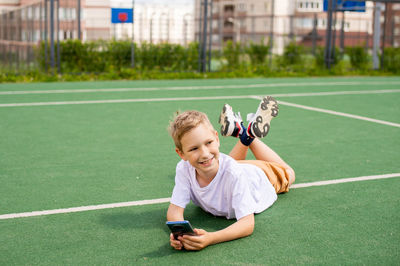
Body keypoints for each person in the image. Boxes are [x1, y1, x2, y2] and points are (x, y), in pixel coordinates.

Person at [166, 96, 295, 251]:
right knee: (215, 164)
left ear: (216, 138)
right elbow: (174, 211)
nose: (204, 153)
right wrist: (179, 234)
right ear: (181, 154)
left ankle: (248, 136)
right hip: (233, 168)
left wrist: (211, 238)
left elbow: (247, 224)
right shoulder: (184, 168)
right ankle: (240, 131)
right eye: (194, 149)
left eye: (208, 143)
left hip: (260, 177)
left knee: (289, 173)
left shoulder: (233, 173)